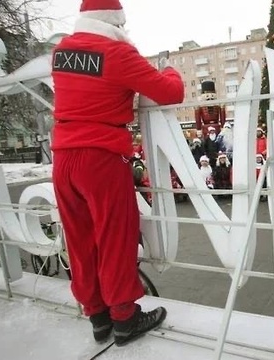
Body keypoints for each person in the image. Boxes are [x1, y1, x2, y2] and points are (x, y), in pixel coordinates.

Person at [51, 0, 184, 346]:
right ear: (116, 22)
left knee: (79, 239)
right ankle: (124, 318)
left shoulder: (61, 52)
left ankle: (97, 315)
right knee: (115, 236)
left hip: (63, 157)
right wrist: (169, 69)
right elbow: (170, 90)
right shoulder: (118, 54)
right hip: (102, 157)